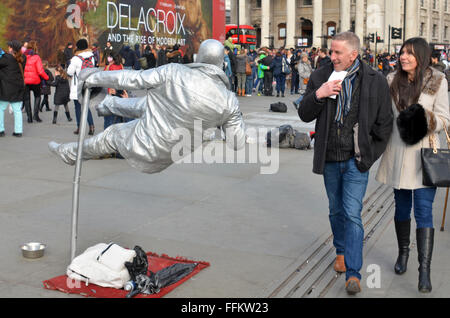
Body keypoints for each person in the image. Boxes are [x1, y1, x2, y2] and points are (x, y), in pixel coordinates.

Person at [48, 39, 246, 174]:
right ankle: (110, 104)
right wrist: (231, 116)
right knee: (154, 103)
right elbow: (236, 142)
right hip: (168, 157)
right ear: (221, 63)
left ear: (199, 58)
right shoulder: (229, 101)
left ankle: (71, 154)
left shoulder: (174, 71)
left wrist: (92, 76)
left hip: (146, 146)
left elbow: (132, 78)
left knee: (113, 133)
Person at [298, 32, 393, 295]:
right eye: (331, 51)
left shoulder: (375, 80)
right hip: (329, 156)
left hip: (356, 160)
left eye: (338, 53)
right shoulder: (320, 75)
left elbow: (385, 123)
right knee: (335, 209)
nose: (332, 57)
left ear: (353, 55)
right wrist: (320, 94)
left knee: (352, 213)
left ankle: (353, 273)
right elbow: (304, 114)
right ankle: (340, 249)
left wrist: (368, 156)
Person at [375, 37, 450, 293]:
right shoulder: (390, 80)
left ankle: (424, 270)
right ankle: (403, 254)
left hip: (424, 154)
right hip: (398, 154)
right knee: (402, 208)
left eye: (409, 53)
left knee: (424, 211)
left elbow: (445, 119)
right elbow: (383, 116)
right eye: (402, 52)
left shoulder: (437, 81)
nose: (403, 57)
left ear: (422, 55)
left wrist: (423, 118)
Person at [67, 38, 95, 135]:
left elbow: (69, 72)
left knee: (78, 107)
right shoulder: (92, 57)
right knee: (86, 106)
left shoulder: (75, 58)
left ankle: (79, 127)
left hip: (78, 85)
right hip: (88, 84)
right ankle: (91, 126)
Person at [0, 40, 26, 137]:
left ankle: (1, 130)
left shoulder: (6, 58)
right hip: (17, 87)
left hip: (5, 88)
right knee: (17, 110)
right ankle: (18, 131)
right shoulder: (21, 58)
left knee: (0, 109)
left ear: (11, 48)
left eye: (9, 46)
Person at [23, 40, 49, 123]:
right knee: (37, 96)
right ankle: (36, 115)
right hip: (35, 81)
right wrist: (47, 77)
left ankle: (29, 118)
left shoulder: (23, 57)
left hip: (25, 81)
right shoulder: (36, 57)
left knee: (27, 99)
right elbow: (40, 71)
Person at [103, 51, 124, 129]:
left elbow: (103, 77)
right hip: (120, 92)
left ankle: (107, 133)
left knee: (109, 117)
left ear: (112, 58)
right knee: (118, 115)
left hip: (111, 92)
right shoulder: (121, 66)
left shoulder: (110, 67)